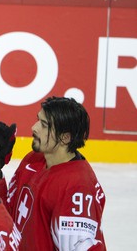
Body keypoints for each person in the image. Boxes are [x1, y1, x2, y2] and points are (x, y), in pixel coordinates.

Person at [6, 97, 106, 250]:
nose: (34, 127)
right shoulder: (32, 160)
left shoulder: (76, 187)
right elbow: (8, 210)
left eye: (44, 125)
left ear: (65, 138)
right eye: (38, 120)